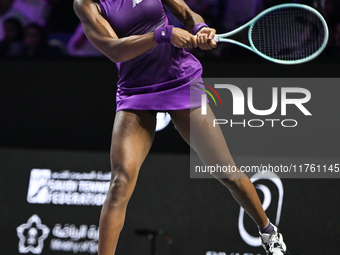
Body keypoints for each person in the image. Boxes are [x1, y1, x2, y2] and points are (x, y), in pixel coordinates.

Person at [73, 0, 290, 254]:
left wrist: (200, 28)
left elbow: (187, 14)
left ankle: (268, 231)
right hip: (135, 90)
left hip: (179, 79)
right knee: (120, 181)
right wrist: (162, 35)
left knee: (226, 171)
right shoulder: (86, 4)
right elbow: (114, 50)